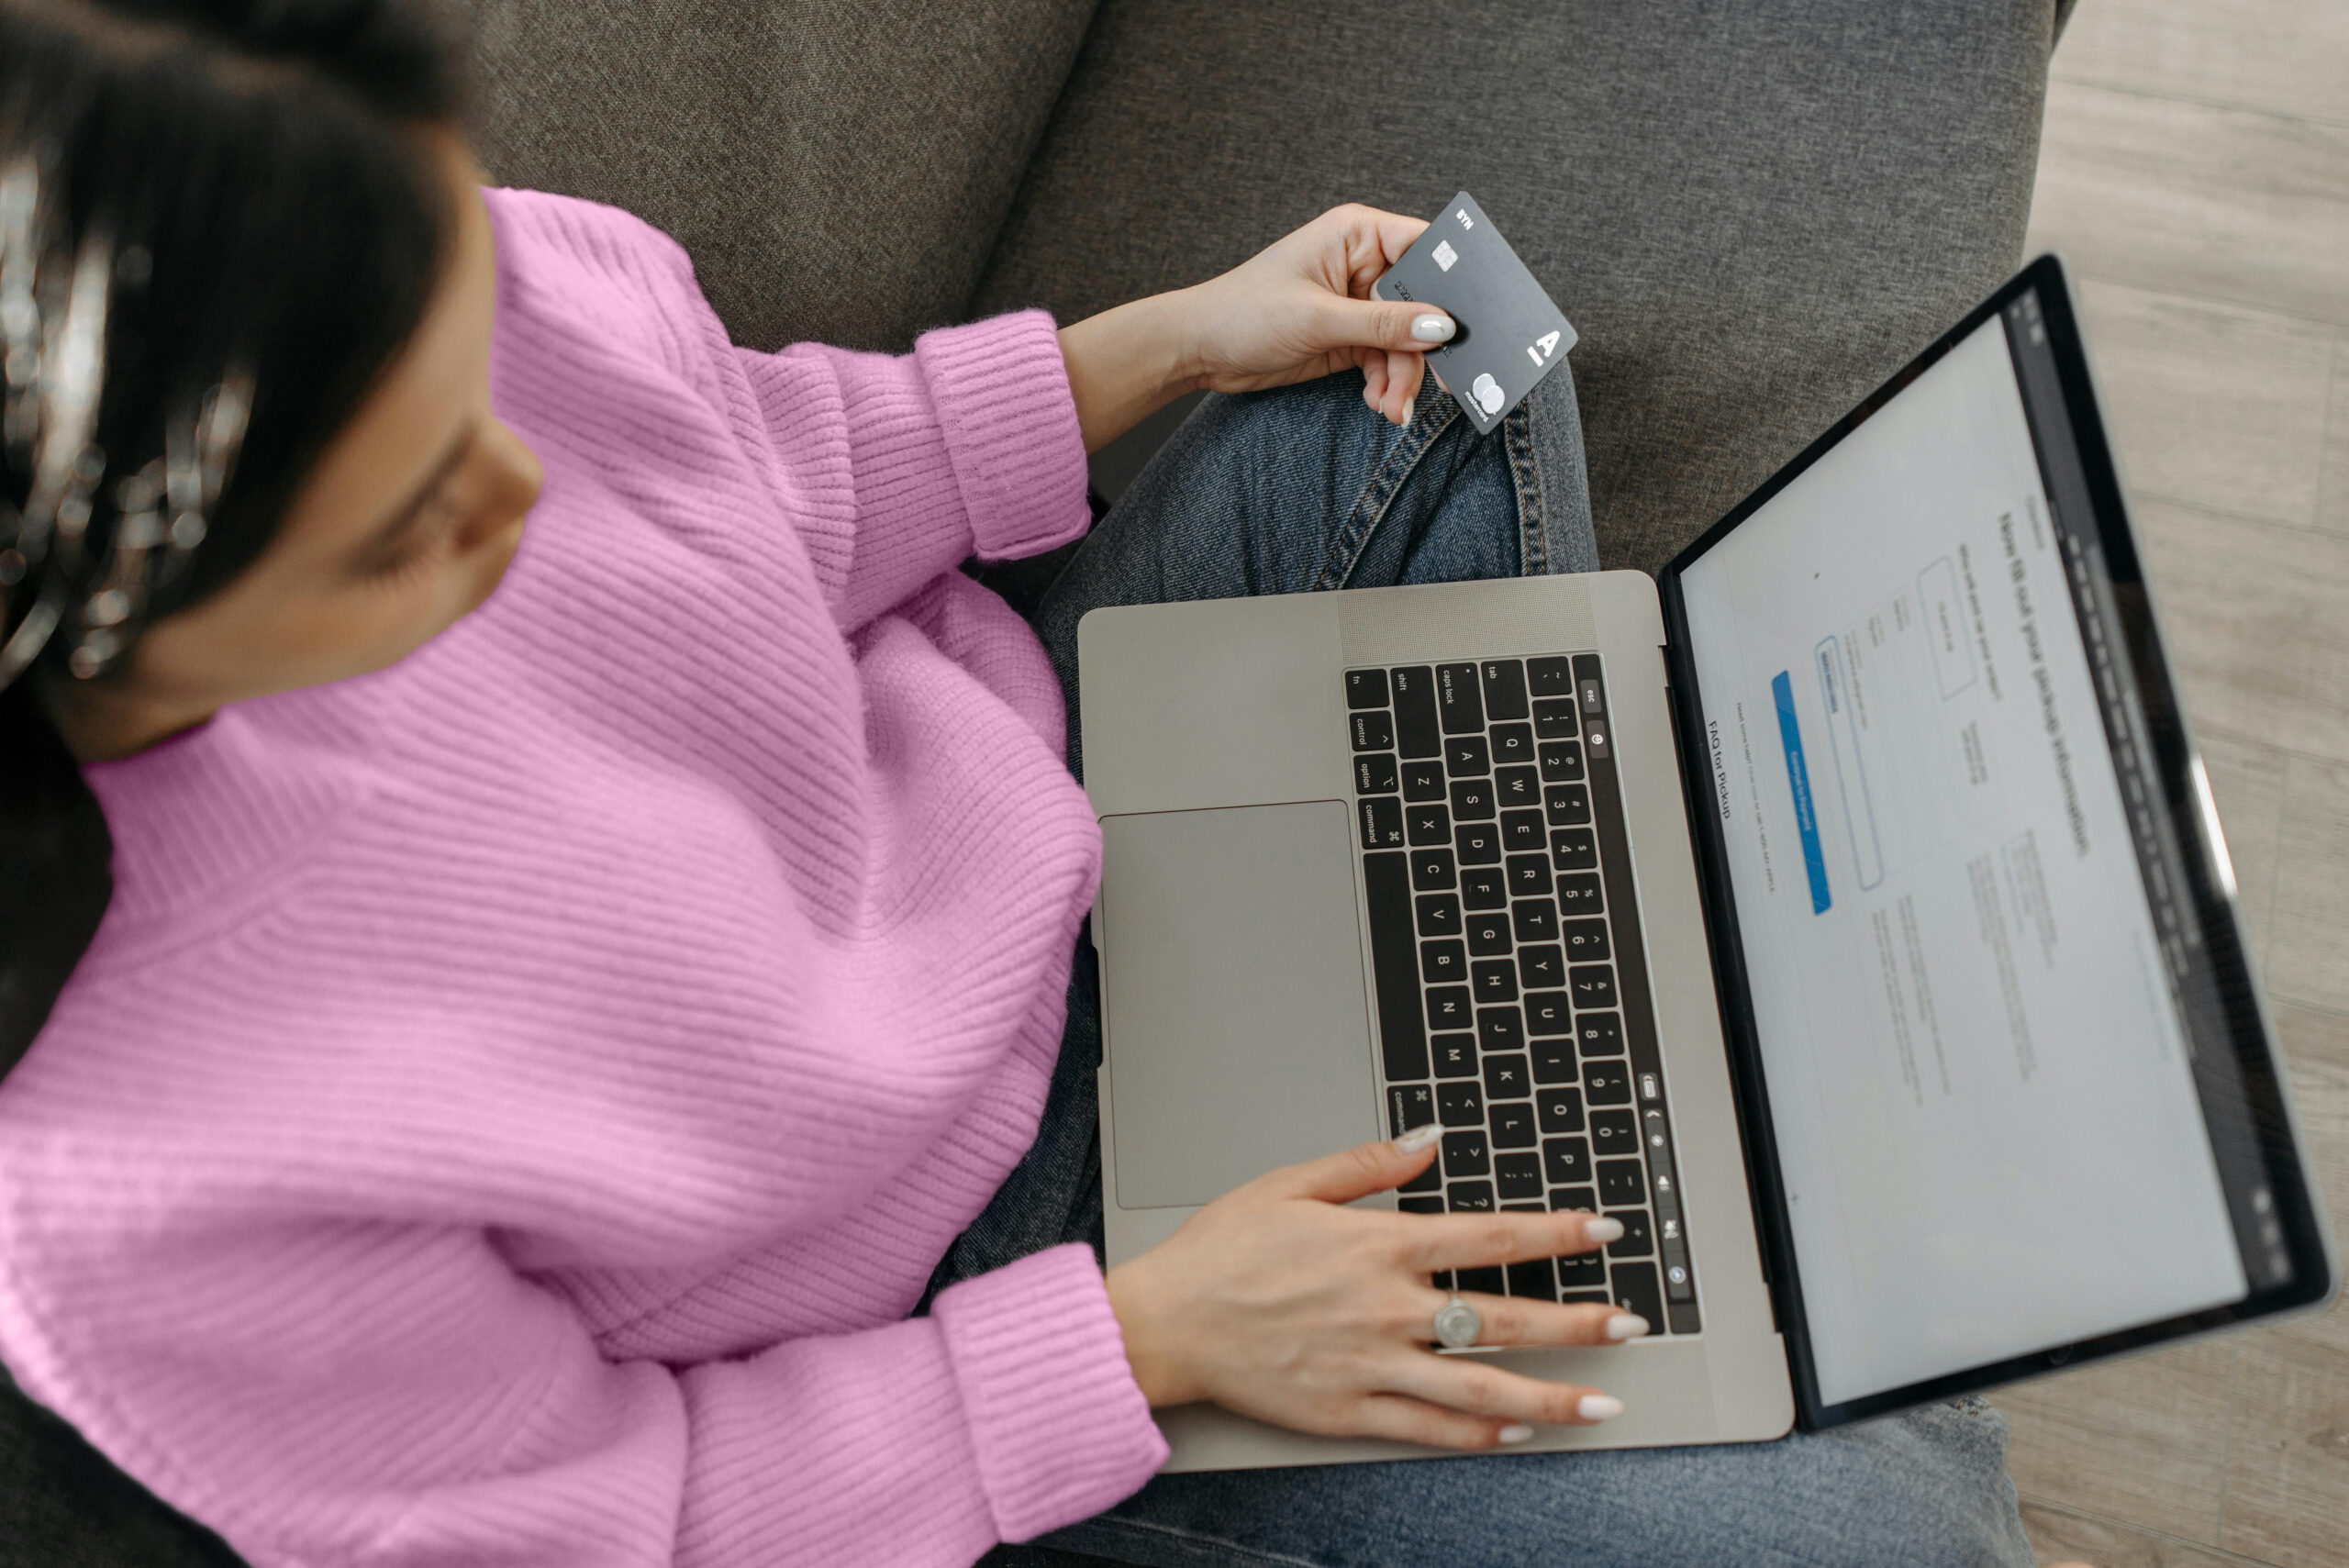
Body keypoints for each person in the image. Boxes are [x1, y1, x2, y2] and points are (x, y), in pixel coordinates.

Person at [0, 3, 2050, 1565]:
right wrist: (1150, 1339)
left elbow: (770, 471)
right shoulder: (128, 1205)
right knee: (1861, 1531)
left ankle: (1552, 1090)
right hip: (981, 1288)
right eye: (406, 529)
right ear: (90, 631)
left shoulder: (336, 240)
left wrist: (1175, 340)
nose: (521, 499)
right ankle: (1575, 1145)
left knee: (1438, 339)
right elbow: (642, 1521)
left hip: (1046, 795)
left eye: (481, 356)